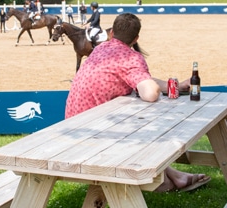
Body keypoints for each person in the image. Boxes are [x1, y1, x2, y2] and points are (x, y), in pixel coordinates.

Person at [65, 12, 210, 193]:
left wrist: (177, 85)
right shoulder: (130, 57)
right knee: (146, 129)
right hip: (93, 134)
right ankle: (162, 181)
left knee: (131, 125)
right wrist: (158, 88)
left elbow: (137, 79)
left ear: (111, 33)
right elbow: (150, 93)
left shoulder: (101, 49)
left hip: (74, 126)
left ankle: (176, 176)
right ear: (136, 38)